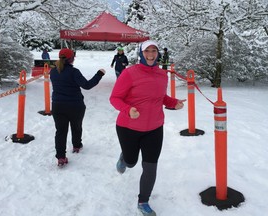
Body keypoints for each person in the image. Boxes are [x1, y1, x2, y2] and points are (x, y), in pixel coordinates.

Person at [109, 40, 186, 216]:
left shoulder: (161, 75)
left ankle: (143, 201)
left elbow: (160, 97)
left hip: (154, 128)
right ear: (141, 53)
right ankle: (124, 158)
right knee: (131, 162)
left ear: (158, 53)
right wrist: (128, 110)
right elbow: (115, 98)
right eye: (147, 51)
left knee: (150, 167)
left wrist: (174, 103)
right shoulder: (129, 73)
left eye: (154, 51)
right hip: (128, 127)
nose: (151, 54)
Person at [50, 48, 105, 166]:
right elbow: (87, 85)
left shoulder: (53, 71)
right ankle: (76, 145)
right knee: (76, 127)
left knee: (60, 131)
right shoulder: (74, 71)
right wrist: (99, 74)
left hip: (57, 106)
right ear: (71, 58)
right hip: (75, 105)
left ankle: (61, 157)